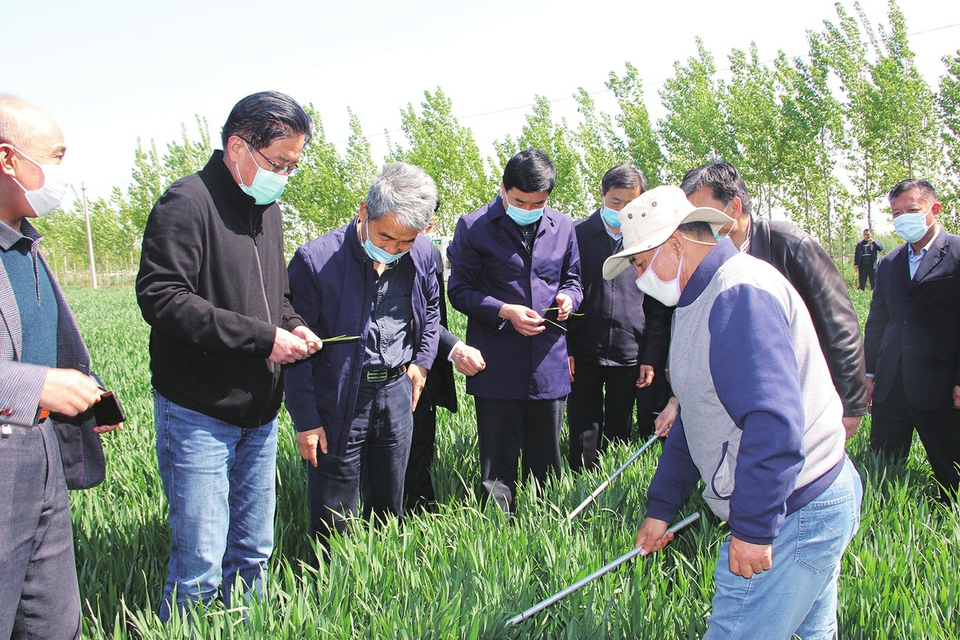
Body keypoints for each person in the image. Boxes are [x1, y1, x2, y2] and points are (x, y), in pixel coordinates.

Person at [607, 185, 861, 639]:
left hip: (794, 510)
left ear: (676, 244)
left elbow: (772, 420)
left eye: (642, 264)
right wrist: (662, 506)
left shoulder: (738, 293)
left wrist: (754, 530)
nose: (641, 278)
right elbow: (698, 413)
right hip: (798, 503)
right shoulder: (695, 299)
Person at [136, 91, 321, 620]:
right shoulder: (187, 203)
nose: (284, 175)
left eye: (292, 165)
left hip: (259, 412)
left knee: (253, 553)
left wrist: (295, 327)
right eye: (278, 163)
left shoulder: (268, 210)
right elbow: (163, 298)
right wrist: (264, 339)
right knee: (199, 559)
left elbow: (275, 298)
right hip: (199, 410)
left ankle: (246, 626)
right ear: (238, 147)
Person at [0, 96, 119, 639]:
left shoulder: (25, 245)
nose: (61, 176)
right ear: (8, 160)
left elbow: (45, 342)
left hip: (41, 447)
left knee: (51, 618)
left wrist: (88, 396)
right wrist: (35, 384)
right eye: (54, 157)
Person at [285, 163, 441, 548]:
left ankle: (382, 580)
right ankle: (334, 587)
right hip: (339, 398)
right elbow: (294, 348)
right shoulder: (315, 261)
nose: (391, 249)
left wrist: (421, 362)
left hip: (395, 392)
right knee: (334, 512)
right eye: (384, 236)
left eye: (403, 242)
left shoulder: (422, 255)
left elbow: (433, 310)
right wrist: (305, 419)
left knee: (390, 503)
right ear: (362, 212)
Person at [680, 161, 868, 439]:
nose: (697, 225)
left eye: (703, 214)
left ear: (734, 207)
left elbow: (839, 325)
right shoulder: (705, 256)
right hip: (746, 399)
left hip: (803, 389)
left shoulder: (792, 245)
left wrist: (851, 404)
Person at [447, 148, 582, 512]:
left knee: (547, 464)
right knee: (497, 467)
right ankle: (499, 538)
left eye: (538, 202)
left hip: (547, 362)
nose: (528, 207)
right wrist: (504, 311)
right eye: (520, 200)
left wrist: (569, 298)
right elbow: (458, 290)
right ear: (503, 189)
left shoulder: (563, 226)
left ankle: (548, 529)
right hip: (498, 363)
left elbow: (574, 280)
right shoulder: (474, 227)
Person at [565, 164, 667, 472]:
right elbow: (562, 290)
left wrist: (649, 356)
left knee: (620, 425)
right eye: (615, 202)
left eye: (630, 204)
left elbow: (657, 305)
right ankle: (579, 484)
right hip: (584, 349)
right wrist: (566, 347)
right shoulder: (576, 235)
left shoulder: (650, 240)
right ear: (602, 195)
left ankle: (613, 484)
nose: (621, 210)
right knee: (583, 425)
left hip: (628, 350)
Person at [864, 179, 960, 502]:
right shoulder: (889, 263)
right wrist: (869, 374)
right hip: (892, 382)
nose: (904, 217)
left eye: (912, 210)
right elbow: (878, 321)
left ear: (934, 209)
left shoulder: (957, 254)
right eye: (896, 212)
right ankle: (884, 516)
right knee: (882, 467)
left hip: (942, 384)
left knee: (952, 470)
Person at [403, 210, 485, 512]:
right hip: (374, 375)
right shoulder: (364, 251)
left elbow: (430, 316)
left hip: (420, 373)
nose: (426, 228)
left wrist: (451, 348)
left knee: (418, 456)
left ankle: (419, 520)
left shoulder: (429, 254)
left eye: (429, 222)